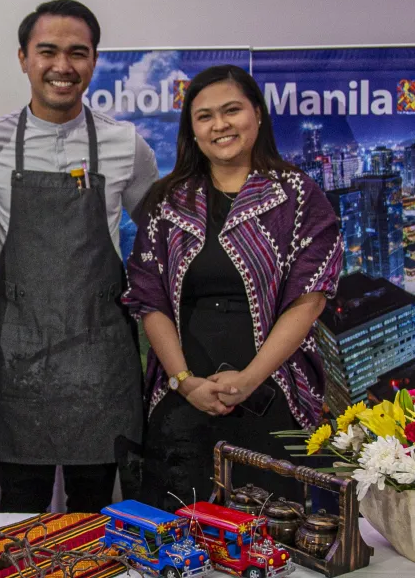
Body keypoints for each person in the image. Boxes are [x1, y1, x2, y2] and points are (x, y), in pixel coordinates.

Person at [0, 0, 159, 513]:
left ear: (94, 61)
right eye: (48, 51)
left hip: (101, 361)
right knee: (20, 507)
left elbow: (163, 242)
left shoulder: (125, 145)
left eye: (78, 52)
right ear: (23, 57)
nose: (62, 66)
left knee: (96, 513)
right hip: (16, 361)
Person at [123, 65, 344, 512]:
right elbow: (150, 301)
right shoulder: (169, 201)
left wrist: (248, 380)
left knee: (272, 529)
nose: (219, 125)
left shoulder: (298, 196)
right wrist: (185, 382)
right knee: (172, 527)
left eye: (231, 110)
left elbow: (309, 300)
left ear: (258, 116)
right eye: (204, 116)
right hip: (184, 389)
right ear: (192, 130)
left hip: (273, 386)